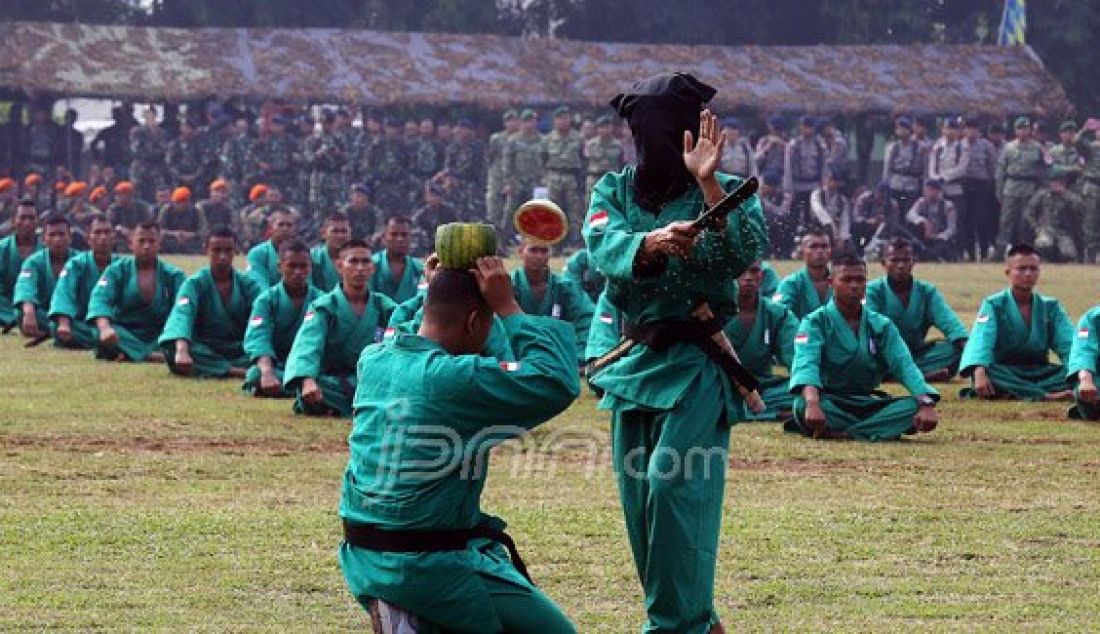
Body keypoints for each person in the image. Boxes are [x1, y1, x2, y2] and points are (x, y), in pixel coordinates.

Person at [585, 73, 768, 633]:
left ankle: (675, 626)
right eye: (647, 133)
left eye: (669, 133)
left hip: (695, 364)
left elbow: (741, 253)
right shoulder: (611, 191)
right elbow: (601, 244)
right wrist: (651, 241)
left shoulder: (725, 188)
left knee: (674, 487)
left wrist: (710, 188)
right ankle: (696, 619)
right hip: (635, 363)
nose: (656, 145)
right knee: (641, 507)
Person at [338, 257, 578, 633]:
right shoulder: (454, 377)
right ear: (473, 321)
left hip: (365, 550)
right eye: (488, 324)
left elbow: (408, 327)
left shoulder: (375, 359)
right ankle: (416, 613)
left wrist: (431, 287)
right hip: (425, 559)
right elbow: (554, 380)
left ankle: (411, 615)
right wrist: (509, 308)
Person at [785, 250, 939, 441]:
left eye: (860, 280)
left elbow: (904, 365)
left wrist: (925, 403)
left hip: (866, 402)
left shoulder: (881, 324)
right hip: (829, 400)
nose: (854, 286)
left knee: (913, 408)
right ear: (831, 282)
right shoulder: (814, 322)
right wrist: (813, 403)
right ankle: (874, 429)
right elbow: (806, 364)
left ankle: (846, 432)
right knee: (801, 405)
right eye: (847, 280)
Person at [283, 239, 396, 417]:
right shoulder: (324, 306)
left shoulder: (386, 307)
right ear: (339, 265)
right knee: (317, 389)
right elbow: (307, 344)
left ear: (373, 268)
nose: (360, 268)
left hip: (372, 380)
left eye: (365, 262)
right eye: (353, 261)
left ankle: (347, 406)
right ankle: (362, 406)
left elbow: (400, 346)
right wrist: (307, 380)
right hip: (333, 380)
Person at [959, 244, 1074, 401]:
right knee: (988, 374)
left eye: (1033, 269)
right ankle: (1044, 395)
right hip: (1004, 370)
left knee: (1078, 371)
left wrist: (1081, 371)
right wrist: (979, 370)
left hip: (1041, 372)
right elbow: (981, 339)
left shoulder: (1051, 306)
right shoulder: (993, 304)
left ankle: (1017, 392)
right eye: (1021, 269)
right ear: (1008, 272)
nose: (1028, 274)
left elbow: (1069, 344)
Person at [157, 227, 263, 378]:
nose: (223, 256)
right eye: (217, 250)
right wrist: (182, 349)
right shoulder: (194, 283)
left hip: (240, 348)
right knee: (171, 349)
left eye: (228, 250)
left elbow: (262, 318)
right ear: (206, 249)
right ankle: (238, 372)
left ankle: (221, 368)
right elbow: (182, 315)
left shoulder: (248, 285)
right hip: (205, 347)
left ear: (235, 251)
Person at [864, 238, 968, 381]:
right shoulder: (873, 290)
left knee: (954, 349)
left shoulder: (927, 291)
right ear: (883, 263)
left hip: (916, 354)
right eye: (894, 260)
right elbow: (870, 329)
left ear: (913, 262)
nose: (900, 266)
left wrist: (972, 355)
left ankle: (904, 375)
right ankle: (917, 375)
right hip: (884, 355)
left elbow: (950, 323)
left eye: (906, 260)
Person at [86, 222, 186, 362]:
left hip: (159, 334)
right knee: (97, 332)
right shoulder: (116, 270)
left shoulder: (174, 275)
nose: (146, 246)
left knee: (187, 337)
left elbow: (183, 310)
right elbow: (100, 299)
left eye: (151, 241)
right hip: (124, 332)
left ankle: (131, 353)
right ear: (130, 244)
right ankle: (148, 355)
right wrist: (105, 328)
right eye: (141, 241)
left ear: (159, 244)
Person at [242, 240, 324, 398]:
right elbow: (259, 337)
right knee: (255, 375)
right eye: (292, 266)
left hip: (311, 365)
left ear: (310, 267)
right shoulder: (266, 300)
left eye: (303, 266)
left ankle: (299, 388)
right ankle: (304, 390)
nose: (298, 271)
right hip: (277, 364)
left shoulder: (322, 300)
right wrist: (267, 372)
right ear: (279, 267)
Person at [725, 261, 797, 420]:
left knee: (802, 392)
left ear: (762, 276)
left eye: (754, 271)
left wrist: (808, 389)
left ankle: (754, 410)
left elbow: (795, 356)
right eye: (741, 272)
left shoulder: (778, 313)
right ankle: (773, 413)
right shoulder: (713, 311)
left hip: (764, 386)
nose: (748, 278)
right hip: (724, 384)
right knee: (705, 396)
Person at [511, 238, 594, 366]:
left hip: (557, 356)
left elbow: (586, 319)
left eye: (544, 251)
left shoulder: (564, 287)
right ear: (521, 252)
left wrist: (578, 356)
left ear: (551, 253)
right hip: (515, 355)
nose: (539, 256)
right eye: (533, 250)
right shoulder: (508, 285)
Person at [49, 214, 117, 349]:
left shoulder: (122, 266)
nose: (103, 237)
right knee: (55, 326)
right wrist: (64, 324)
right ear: (88, 238)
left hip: (113, 324)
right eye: (98, 232)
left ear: (113, 237)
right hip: (82, 323)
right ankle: (121, 346)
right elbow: (63, 294)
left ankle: (112, 343)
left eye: (107, 232)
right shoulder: (75, 264)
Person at [13, 214, 76, 341]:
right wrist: (29, 312)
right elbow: (25, 286)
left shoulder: (80, 262)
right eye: (52, 235)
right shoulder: (33, 262)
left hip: (73, 316)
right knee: (21, 314)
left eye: (61, 234)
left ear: (70, 237)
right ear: (44, 239)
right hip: (45, 314)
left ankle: (58, 331)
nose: (57, 239)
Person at [995, 117, 1047, 257]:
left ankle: (1025, 252)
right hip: (1011, 187)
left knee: (1026, 222)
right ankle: (1000, 252)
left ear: (1030, 130)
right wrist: (999, 191)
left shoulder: (1037, 147)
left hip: (1029, 188)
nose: (1023, 131)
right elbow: (1001, 170)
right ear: (1015, 130)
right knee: (1006, 221)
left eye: (1026, 128)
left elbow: (1044, 169)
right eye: (1020, 128)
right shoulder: (1009, 147)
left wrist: (1042, 190)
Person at [928, 116, 971, 259]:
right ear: (943, 130)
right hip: (939, 190)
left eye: (953, 129)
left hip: (955, 189)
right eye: (947, 128)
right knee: (939, 220)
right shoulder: (938, 146)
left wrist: (944, 177)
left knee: (958, 221)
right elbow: (932, 167)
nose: (950, 132)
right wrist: (935, 179)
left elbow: (962, 168)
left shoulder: (962, 146)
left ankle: (959, 251)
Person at [1026, 166, 1086, 263]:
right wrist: (1036, 227)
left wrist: (1065, 196)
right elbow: (1029, 212)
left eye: (1058, 182)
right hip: (1047, 229)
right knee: (1043, 243)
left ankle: (1060, 259)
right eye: (1053, 182)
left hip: (1064, 232)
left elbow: (1081, 210)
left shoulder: (1071, 197)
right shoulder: (1042, 195)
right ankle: (1046, 259)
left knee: (1068, 253)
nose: (1055, 185)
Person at [501, 109, 544, 240]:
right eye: (527, 121)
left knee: (536, 212)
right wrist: (508, 182)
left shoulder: (542, 140)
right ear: (522, 123)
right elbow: (507, 163)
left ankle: (537, 238)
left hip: (536, 182)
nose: (530, 124)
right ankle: (503, 240)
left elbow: (547, 161)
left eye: (533, 121)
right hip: (517, 182)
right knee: (510, 211)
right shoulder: (513, 140)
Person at [773, 229, 833, 320]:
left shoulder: (842, 281)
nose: (820, 251)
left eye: (824, 246)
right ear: (802, 252)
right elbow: (779, 316)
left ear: (831, 250)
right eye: (813, 246)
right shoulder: (790, 283)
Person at [962, 118, 999, 261]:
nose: (971, 132)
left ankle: (983, 252)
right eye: (968, 128)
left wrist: (990, 185)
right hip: (965, 185)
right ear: (964, 130)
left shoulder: (986, 146)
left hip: (982, 185)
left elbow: (992, 167)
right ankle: (970, 254)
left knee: (982, 221)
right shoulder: (960, 145)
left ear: (978, 131)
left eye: (974, 129)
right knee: (967, 221)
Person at [0, 201, 40, 332]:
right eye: (22, 218)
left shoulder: (48, 249)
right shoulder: (2, 249)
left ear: (37, 221)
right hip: (5, 305)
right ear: (13, 221)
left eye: (31, 218)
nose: (27, 222)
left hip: (37, 306)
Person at [783, 115, 828, 231]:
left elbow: (824, 166)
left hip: (814, 185)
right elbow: (788, 168)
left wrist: (824, 186)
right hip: (797, 185)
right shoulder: (794, 144)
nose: (807, 130)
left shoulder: (819, 144)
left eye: (809, 127)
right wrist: (789, 189)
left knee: (812, 217)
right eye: (804, 127)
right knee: (794, 216)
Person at [369, 216, 425, 304]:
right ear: (383, 238)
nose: (400, 239)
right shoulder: (370, 265)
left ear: (411, 238)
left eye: (404, 235)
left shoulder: (420, 268)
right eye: (394, 234)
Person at [882, 116, 927, 215]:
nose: (901, 131)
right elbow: (887, 168)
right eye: (898, 128)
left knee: (909, 213)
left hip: (912, 185)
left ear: (909, 130)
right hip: (895, 184)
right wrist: (885, 185)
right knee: (894, 213)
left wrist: (924, 187)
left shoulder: (919, 147)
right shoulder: (892, 147)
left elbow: (925, 169)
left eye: (903, 128)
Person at [905, 178, 958, 262]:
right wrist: (923, 221)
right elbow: (910, 214)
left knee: (940, 249)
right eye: (926, 190)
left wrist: (939, 236)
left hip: (940, 238)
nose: (927, 193)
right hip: (925, 237)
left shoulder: (948, 206)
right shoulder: (921, 202)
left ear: (938, 191)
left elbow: (951, 229)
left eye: (930, 190)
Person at [245, 206, 297, 290]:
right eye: (281, 225)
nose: (285, 229)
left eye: (289, 225)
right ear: (270, 228)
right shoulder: (257, 254)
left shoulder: (303, 254)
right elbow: (259, 286)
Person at [485, 110, 519, 231]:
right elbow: (490, 157)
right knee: (494, 207)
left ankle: (509, 234)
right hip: (497, 176)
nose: (512, 123)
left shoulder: (520, 138)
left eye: (514, 120)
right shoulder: (496, 138)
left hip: (515, 177)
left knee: (511, 209)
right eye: (509, 121)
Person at [1074, 118, 1100, 262]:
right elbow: (1077, 142)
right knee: (1091, 222)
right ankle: (1090, 256)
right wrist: (1084, 129)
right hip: (1093, 186)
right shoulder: (1092, 147)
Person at [584, 114, 625, 205]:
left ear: (612, 128)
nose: (605, 130)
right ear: (597, 129)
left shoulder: (618, 145)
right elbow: (584, 162)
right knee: (592, 205)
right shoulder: (590, 145)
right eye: (602, 127)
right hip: (594, 179)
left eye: (608, 127)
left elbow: (621, 162)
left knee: (612, 206)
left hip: (611, 180)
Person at [808, 165, 851, 247]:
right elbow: (819, 211)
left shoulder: (842, 200)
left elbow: (845, 221)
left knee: (848, 246)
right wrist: (832, 228)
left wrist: (842, 238)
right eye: (829, 179)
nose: (831, 182)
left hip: (836, 235)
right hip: (818, 230)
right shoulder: (817, 194)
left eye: (834, 180)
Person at [158, 187, 205, 254]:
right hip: (170, 241)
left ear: (188, 201)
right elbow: (159, 229)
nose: (178, 204)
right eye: (176, 202)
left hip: (191, 241)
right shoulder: (166, 210)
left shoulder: (196, 211)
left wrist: (190, 235)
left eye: (181, 201)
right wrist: (174, 234)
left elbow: (203, 231)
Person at [311, 212, 350, 292]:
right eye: (335, 231)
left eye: (344, 231)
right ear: (323, 233)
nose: (340, 236)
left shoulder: (359, 260)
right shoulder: (312, 258)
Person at [107, 181, 153, 246]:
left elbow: (148, 225)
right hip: (121, 238)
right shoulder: (114, 209)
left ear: (130, 195)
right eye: (116, 195)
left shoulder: (142, 208)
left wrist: (134, 232)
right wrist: (119, 228)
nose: (117, 198)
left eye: (120, 195)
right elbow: (109, 226)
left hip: (141, 236)